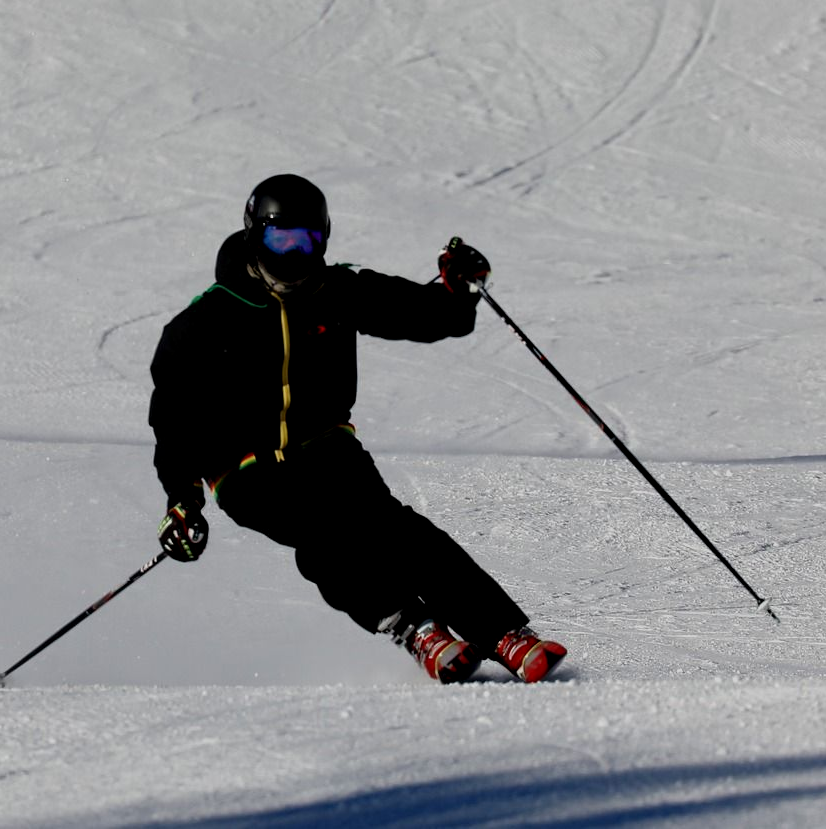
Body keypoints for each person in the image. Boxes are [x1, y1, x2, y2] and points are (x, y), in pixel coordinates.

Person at [148, 174, 566, 684]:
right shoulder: (206, 321)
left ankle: (503, 633)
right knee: (323, 536)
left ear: (324, 239)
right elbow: (174, 419)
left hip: (328, 450)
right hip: (247, 470)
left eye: (307, 241)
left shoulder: (336, 290)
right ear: (255, 235)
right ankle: (413, 625)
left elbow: (422, 314)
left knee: (397, 531)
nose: (294, 254)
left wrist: (458, 291)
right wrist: (183, 498)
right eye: (281, 239)